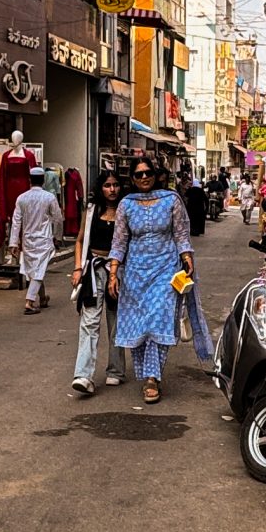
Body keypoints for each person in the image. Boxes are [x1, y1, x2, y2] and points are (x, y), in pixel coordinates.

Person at [109, 157, 195, 405]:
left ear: (156, 175)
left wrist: (187, 257)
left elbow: (180, 233)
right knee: (139, 325)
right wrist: (113, 274)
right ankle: (147, 373)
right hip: (135, 274)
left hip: (165, 270)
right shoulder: (126, 204)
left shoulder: (171, 200)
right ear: (133, 179)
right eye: (138, 174)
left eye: (147, 173)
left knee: (159, 320)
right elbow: (119, 241)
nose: (144, 177)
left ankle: (151, 378)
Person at [70, 170, 128, 395]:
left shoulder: (125, 211)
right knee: (89, 322)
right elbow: (80, 241)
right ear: (100, 187)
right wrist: (77, 268)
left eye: (115, 185)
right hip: (94, 271)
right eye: (107, 185)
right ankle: (83, 375)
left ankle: (116, 370)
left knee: (116, 323)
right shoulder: (92, 210)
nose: (112, 189)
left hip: (119, 271)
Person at [9, 165, 65, 313]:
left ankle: (42, 298)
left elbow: (16, 221)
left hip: (28, 240)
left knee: (36, 271)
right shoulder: (49, 197)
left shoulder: (22, 198)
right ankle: (29, 301)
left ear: (29, 180)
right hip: (44, 239)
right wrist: (58, 237)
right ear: (44, 180)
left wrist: (13, 242)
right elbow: (58, 219)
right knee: (39, 271)